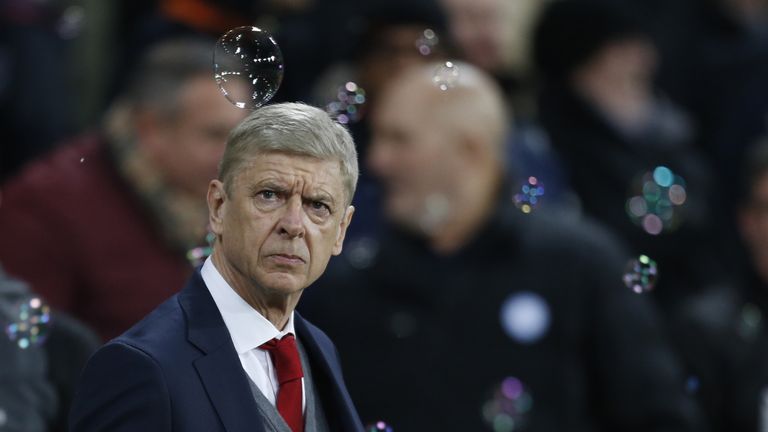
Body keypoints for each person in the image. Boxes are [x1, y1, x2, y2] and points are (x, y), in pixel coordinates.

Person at [301, 62, 704, 431]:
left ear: (470, 151)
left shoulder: (578, 267)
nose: (377, 161)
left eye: (400, 140)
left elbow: (659, 417)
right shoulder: (348, 286)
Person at [69, 102, 363, 432]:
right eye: (269, 195)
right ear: (219, 207)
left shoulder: (320, 348)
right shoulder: (139, 366)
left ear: (341, 230)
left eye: (317, 205)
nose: (294, 225)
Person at [0, 38, 248, 341]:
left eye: (241, 133)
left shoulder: (214, 199)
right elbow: (28, 358)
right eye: (214, 135)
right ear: (150, 129)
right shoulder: (43, 210)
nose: (234, 154)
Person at [531, 0, 725, 312]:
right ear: (579, 66)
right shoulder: (548, 150)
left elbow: (696, 218)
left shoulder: (669, 132)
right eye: (621, 52)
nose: (644, 61)